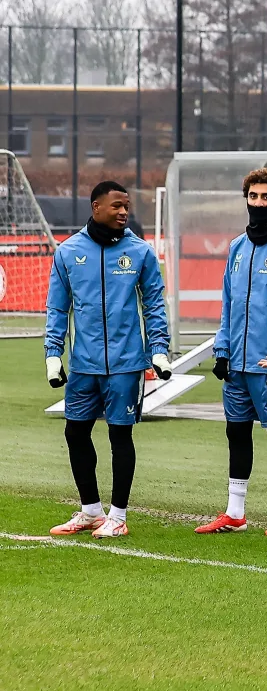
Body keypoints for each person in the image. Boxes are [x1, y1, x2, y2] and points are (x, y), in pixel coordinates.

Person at [45, 180, 172, 539]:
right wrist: (53, 354)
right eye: (116, 206)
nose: (123, 212)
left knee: (120, 436)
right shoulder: (68, 252)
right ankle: (90, 511)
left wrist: (158, 350)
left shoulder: (141, 253)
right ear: (95, 207)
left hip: (126, 364)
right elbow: (57, 307)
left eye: (126, 207)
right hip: (83, 365)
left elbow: (154, 305)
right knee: (75, 432)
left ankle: (118, 515)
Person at [195, 168, 267, 537]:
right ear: (246, 199)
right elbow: (228, 304)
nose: (259, 203)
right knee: (236, 433)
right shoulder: (236, 248)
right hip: (238, 365)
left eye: (266, 198)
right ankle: (235, 512)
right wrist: (223, 350)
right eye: (253, 197)